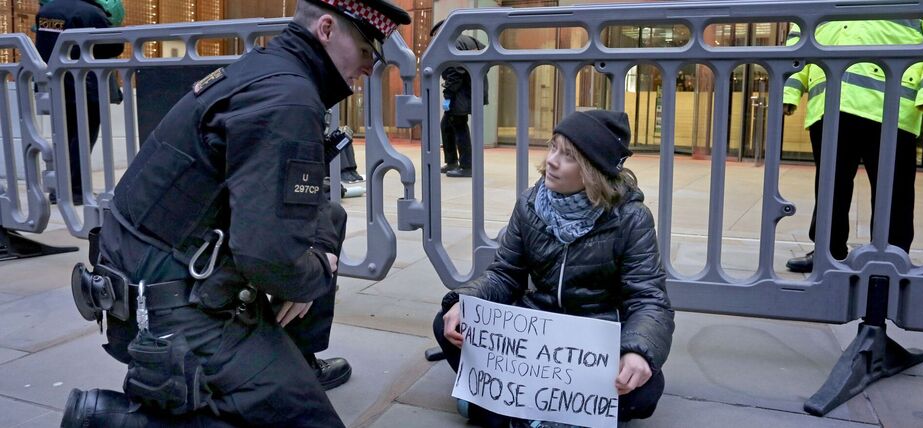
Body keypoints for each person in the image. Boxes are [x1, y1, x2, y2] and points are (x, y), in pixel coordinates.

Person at [60, 0, 410, 426]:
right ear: (325, 29)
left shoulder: (268, 71)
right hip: (167, 306)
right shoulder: (288, 99)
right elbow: (266, 258)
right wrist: (313, 271)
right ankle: (112, 420)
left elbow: (301, 206)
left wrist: (305, 263)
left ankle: (289, 364)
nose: (369, 69)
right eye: (367, 53)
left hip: (145, 273)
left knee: (328, 220)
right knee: (310, 421)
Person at [432, 109, 675, 427]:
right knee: (447, 324)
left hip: (593, 348)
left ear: (593, 170)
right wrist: (466, 302)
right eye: (553, 147)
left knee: (646, 390)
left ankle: (499, 407)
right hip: (534, 344)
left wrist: (638, 352)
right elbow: (505, 273)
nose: (552, 161)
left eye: (568, 156)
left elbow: (649, 301)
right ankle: (537, 408)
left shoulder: (631, 219)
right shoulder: (530, 204)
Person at [782, 19, 923, 273]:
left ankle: (891, 256)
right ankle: (828, 251)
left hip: (891, 102)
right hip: (831, 100)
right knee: (829, 186)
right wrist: (790, 90)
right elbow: (800, 35)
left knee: (893, 189)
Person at [34, 0, 125, 206]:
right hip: (85, 84)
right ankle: (75, 191)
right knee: (82, 139)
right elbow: (114, 46)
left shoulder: (47, 10)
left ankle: (59, 190)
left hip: (54, 83)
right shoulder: (91, 12)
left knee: (63, 138)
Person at [430, 20, 488, 178]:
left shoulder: (451, 43)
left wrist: (448, 95)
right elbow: (486, 53)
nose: (434, 39)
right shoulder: (470, 40)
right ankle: (452, 162)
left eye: (435, 35)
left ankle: (466, 166)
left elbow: (456, 71)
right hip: (473, 90)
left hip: (461, 93)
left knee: (459, 126)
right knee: (447, 124)